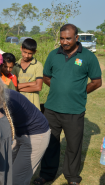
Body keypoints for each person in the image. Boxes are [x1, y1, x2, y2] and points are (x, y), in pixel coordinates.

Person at [34, 24, 102, 185]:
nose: (64, 42)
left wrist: (79, 92)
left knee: (73, 145)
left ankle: (72, 177)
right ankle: (47, 174)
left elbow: (97, 82)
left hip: (74, 110)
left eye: (68, 38)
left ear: (76, 38)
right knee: (50, 143)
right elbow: (46, 77)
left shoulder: (88, 57)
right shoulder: (53, 54)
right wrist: (59, 89)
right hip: (51, 109)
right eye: (62, 38)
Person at [12, 39, 43, 110]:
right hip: (18, 104)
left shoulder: (38, 65)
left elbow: (38, 87)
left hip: (33, 105)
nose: (26, 55)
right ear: (21, 48)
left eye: (29, 53)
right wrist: (31, 83)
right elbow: (13, 87)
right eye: (24, 52)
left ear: (34, 52)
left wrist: (18, 88)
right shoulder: (15, 65)